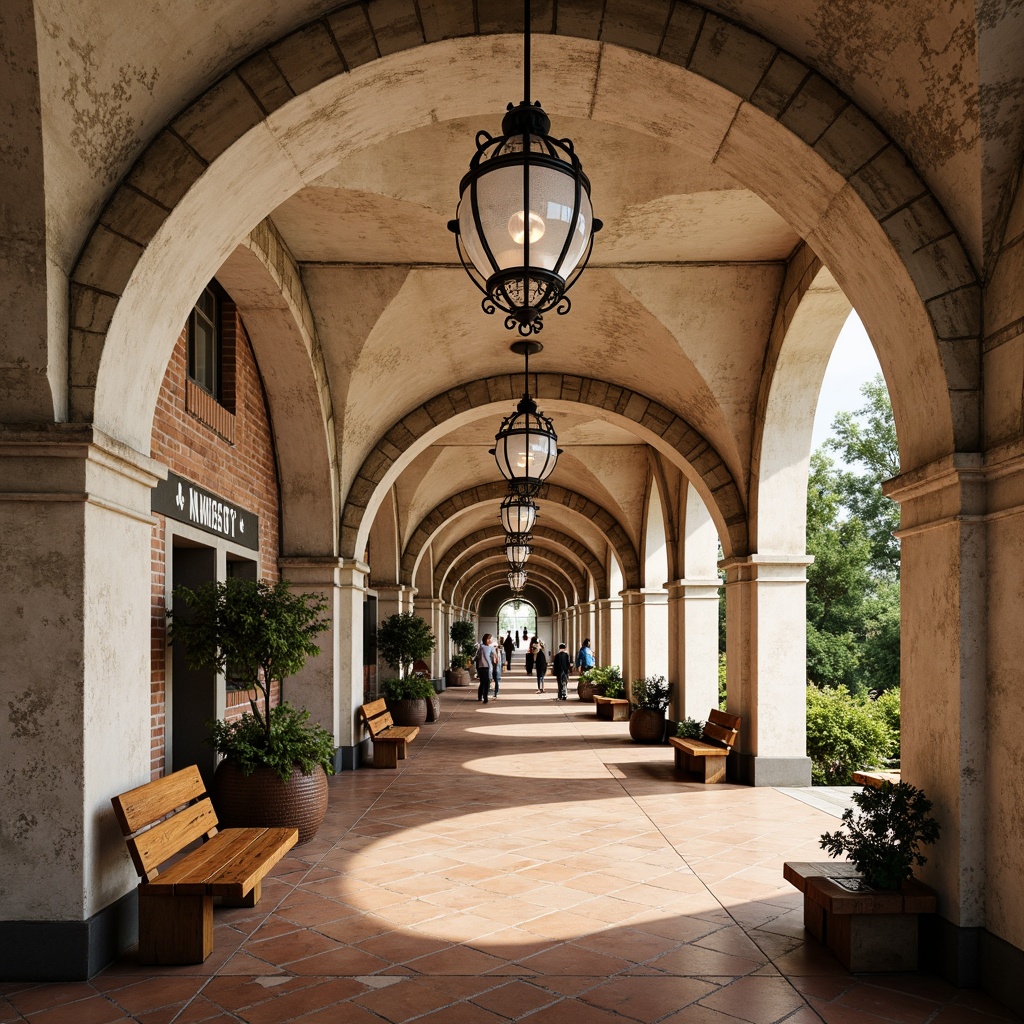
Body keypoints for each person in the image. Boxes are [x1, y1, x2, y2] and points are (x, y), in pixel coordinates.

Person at [475, 633, 498, 704]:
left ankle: (480, 696)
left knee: (482, 682)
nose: (489, 640)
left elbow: (477, 656)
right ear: (485, 639)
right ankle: (485, 698)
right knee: (486, 682)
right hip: (485, 667)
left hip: (481, 666)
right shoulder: (490, 648)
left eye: (490, 639)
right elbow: (496, 656)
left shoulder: (480, 647)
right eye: (488, 639)